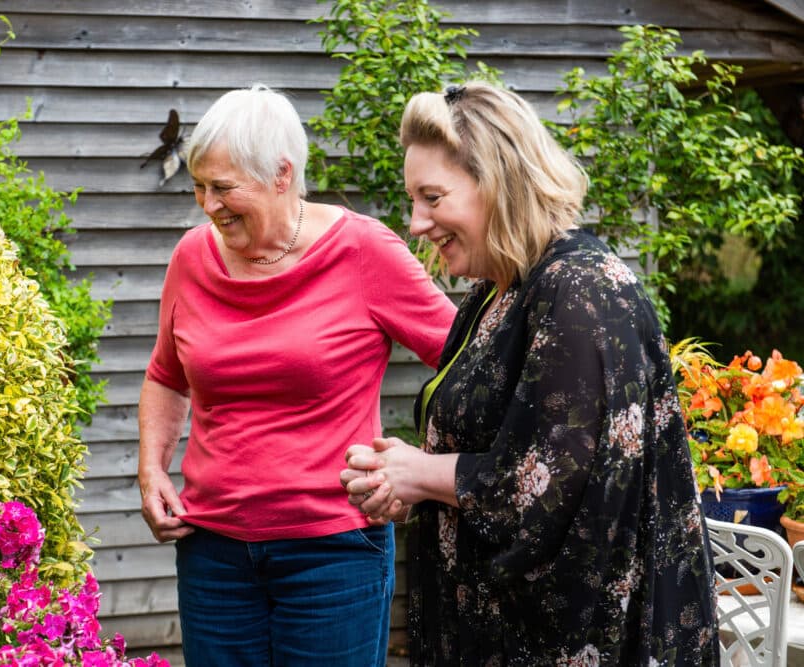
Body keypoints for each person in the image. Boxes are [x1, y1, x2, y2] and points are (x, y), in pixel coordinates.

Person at [340, 81, 720, 665]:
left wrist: (423, 473)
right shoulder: (496, 293)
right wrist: (404, 475)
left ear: (497, 181)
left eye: (433, 198)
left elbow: (554, 490)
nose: (416, 223)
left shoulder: (581, 292)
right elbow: (499, 444)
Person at [137, 84, 457, 667]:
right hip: (213, 552)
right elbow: (166, 375)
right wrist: (151, 467)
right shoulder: (190, 257)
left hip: (334, 552)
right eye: (200, 186)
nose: (208, 205)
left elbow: (469, 365)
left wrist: (422, 468)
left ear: (282, 176)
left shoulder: (364, 252)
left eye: (225, 187)